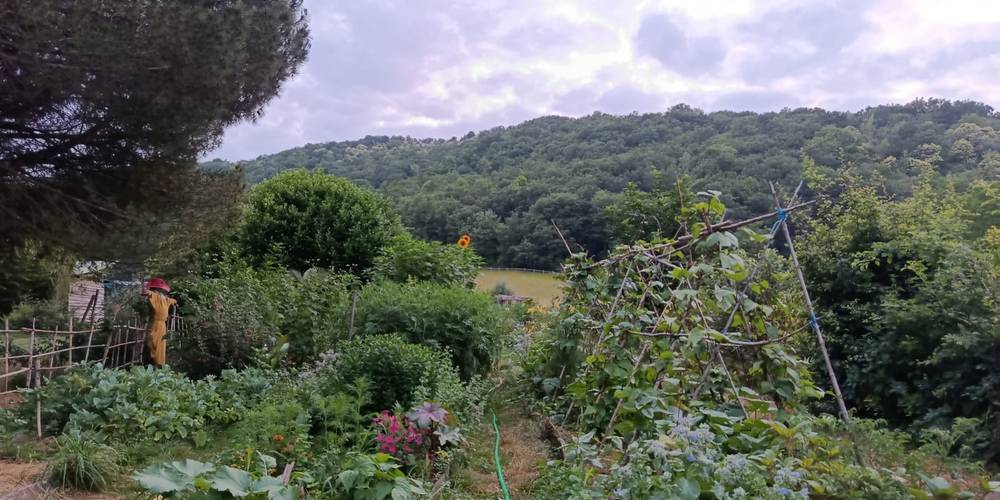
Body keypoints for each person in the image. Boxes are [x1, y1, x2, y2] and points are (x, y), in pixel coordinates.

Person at [144, 278, 176, 367]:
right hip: (156, 323)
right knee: (152, 342)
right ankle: (155, 362)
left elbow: (172, 301)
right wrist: (146, 291)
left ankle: (159, 363)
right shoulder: (155, 295)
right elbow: (147, 293)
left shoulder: (164, 298)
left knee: (161, 344)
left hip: (162, 324)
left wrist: (174, 302)